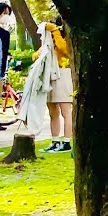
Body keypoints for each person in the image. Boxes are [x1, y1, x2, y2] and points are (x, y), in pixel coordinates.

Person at [43, 16, 73, 153]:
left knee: (65, 110)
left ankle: (67, 142)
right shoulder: (51, 40)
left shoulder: (67, 39)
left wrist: (55, 31)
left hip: (63, 74)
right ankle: (55, 140)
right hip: (50, 75)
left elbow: (65, 50)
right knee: (52, 111)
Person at [0, 2, 13, 79]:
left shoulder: (5, 34)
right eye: (4, 13)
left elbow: (3, 52)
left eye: (8, 14)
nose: (6, 16)